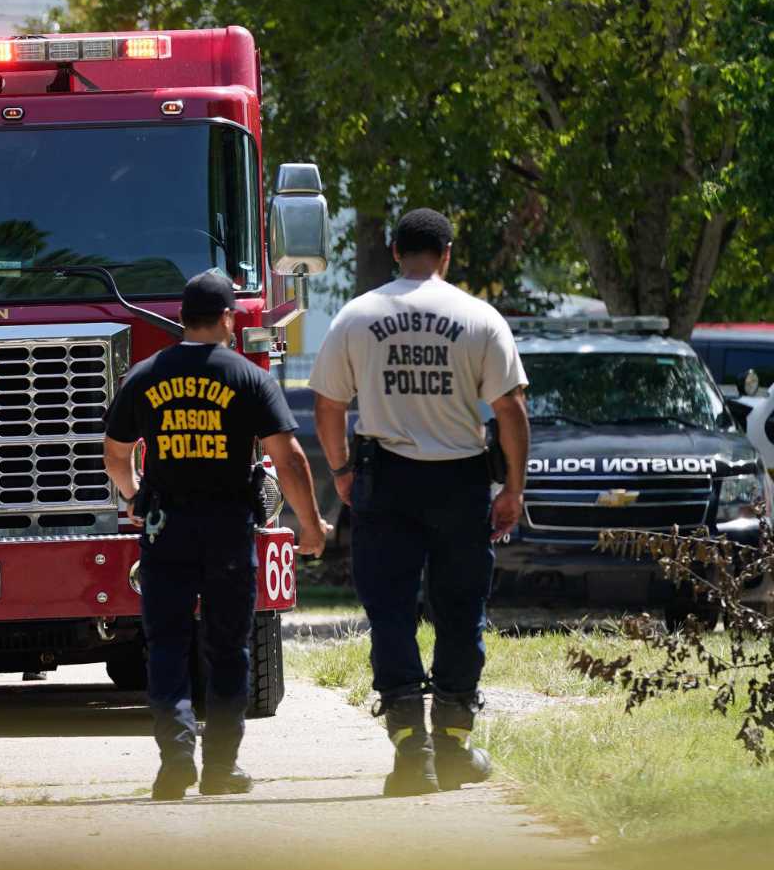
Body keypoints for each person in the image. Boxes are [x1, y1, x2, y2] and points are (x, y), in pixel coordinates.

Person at [309, 208, 529, 796]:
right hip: (460, 482)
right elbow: (510, 410)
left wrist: (341, 471)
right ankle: (454, 747)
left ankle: (412, 757)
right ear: (448, 254)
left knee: (391, 611)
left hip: (388, 482)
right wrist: (513, 488)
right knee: (461, 610)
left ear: (392, 249)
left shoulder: (357, 317)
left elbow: (328, 405)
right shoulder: (480, 318)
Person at [104, 271, 329, 801]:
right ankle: (222, 768)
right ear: (228, 318)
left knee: (166, 647)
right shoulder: (248, 378)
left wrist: (136, 497)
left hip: (166, 532)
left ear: (182, 319)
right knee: (227, 650)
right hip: (228, 533)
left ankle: (175, 764)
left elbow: (115, 454)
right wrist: (312, 525)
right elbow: (288, 458)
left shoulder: (144, 376)